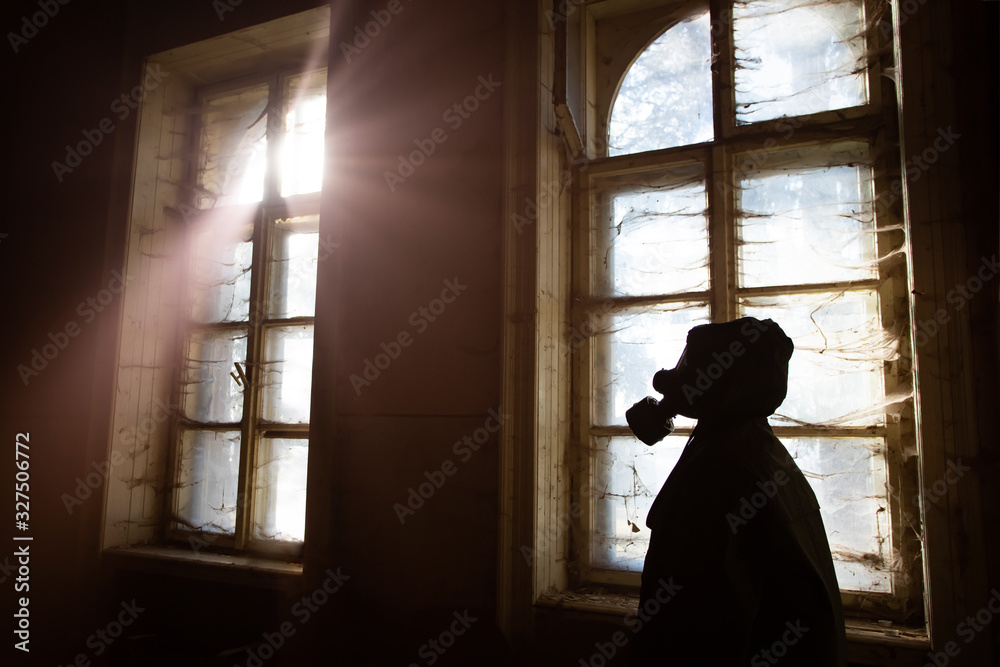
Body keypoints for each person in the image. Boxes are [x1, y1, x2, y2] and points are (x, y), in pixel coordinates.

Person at [625, 317, 847, 666]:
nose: (671, 376)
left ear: (726, 377)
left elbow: (702, 620)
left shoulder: (722, 470)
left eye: (691, 363)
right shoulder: (760, 450)